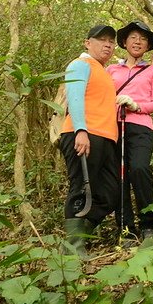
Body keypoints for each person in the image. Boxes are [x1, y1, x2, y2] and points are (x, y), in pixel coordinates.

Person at [59, 24, 120, 259]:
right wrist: (80, 131)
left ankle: (77, 240)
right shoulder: (80, 64)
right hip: (83, 134)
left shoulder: (103, 71)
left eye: (111, 42)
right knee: (81, 189)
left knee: (109, 192)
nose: (108, 45)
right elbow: (74, 96)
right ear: (87, 43)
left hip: (105, 138)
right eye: (102, 40)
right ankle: (74, 247)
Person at [107, 21, 153, 242]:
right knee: (119, 178)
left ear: (148, 45)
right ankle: (125, 229)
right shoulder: (111, 70)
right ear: (124, 42)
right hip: (113, 127)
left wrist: (136, 105)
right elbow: (101, 97)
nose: (137, 41)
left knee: (139, 170)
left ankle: (148, 224)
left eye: (142, 38)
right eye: (133, 37)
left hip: (141, 127)